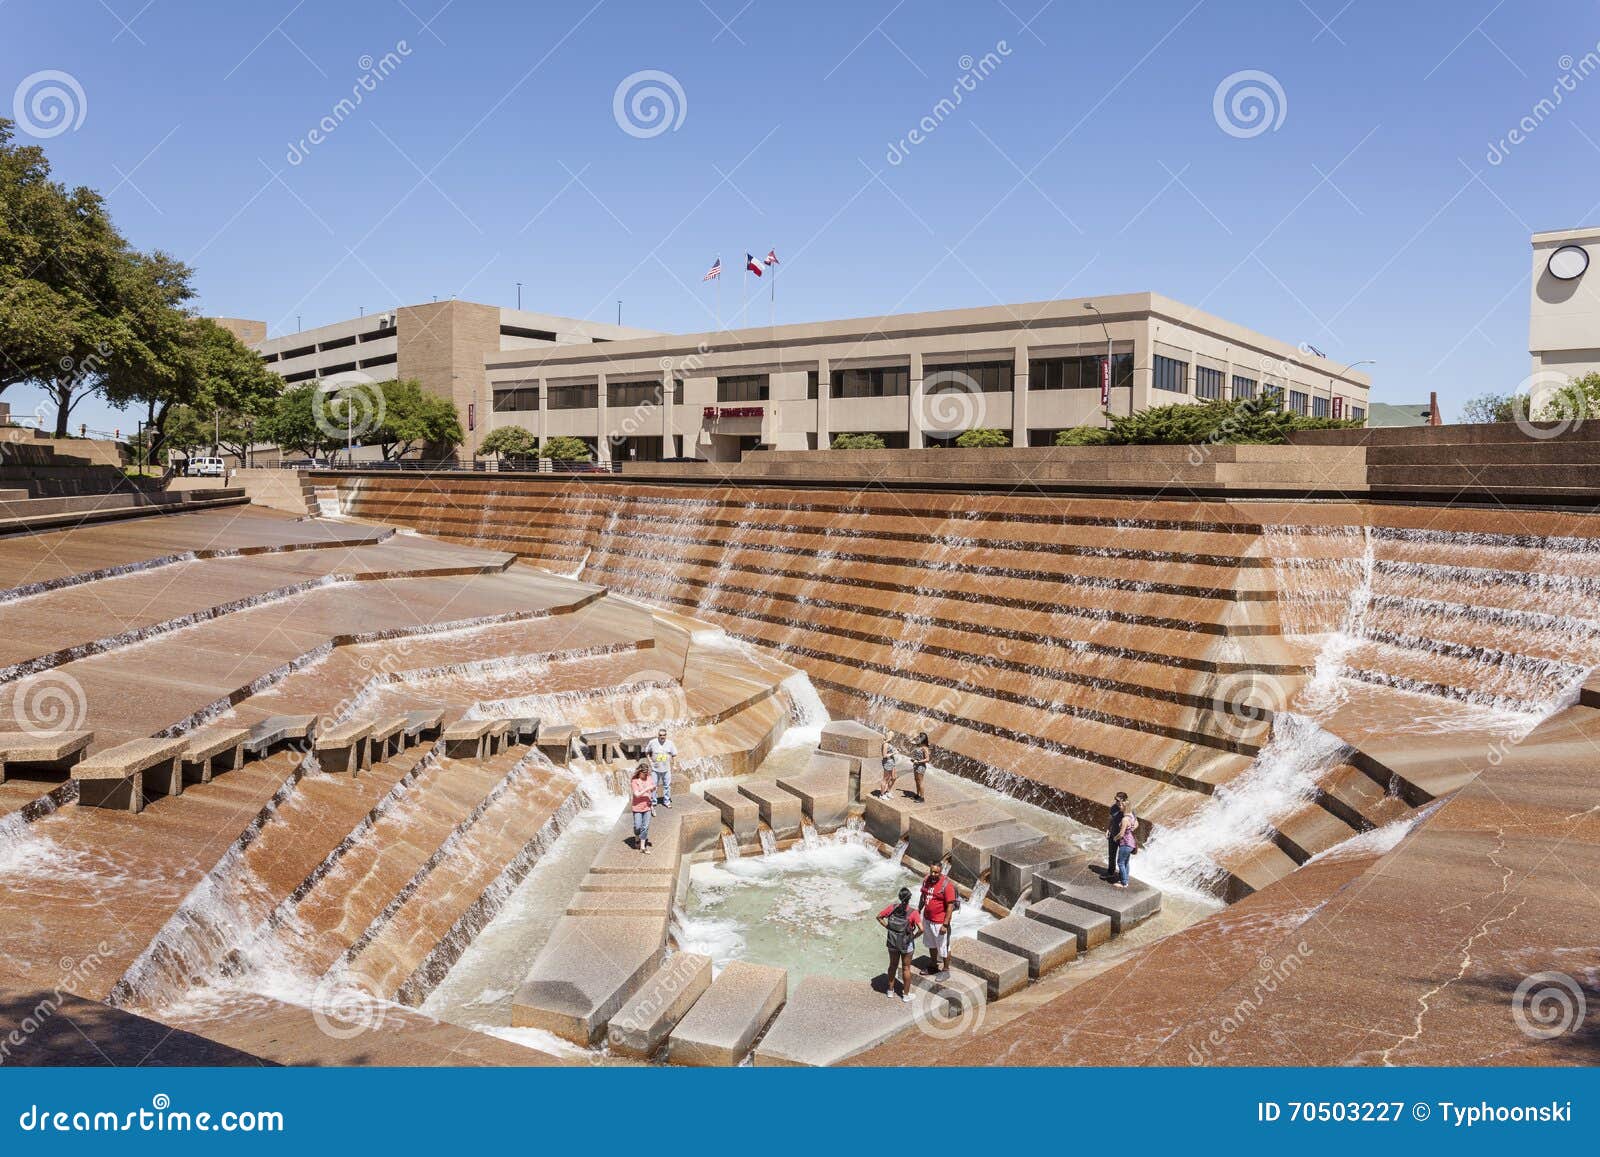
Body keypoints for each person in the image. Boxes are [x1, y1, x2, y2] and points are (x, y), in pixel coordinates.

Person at [877, 886, 922, 1002]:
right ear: (910, 899)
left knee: (893, 965)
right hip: (906, 943)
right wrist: (914, 936)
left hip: (892, 941)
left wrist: (888, 927)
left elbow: (879, 917)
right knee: (906, 968)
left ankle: (890, 991)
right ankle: (906, 995)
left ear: (899, 897)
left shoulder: (892, 908)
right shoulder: (913, 912)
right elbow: (921, 929)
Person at [918, 858, 959, 975]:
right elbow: (923, 897)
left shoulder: (947, 885)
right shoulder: (926, 880)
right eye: (931, 871)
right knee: (931, 944)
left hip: (940, 922)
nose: (933, 874)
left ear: (941, 872)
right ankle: (933, 965)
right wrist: (918, 909)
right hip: (927, 919)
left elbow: (950, 906)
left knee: (944, 947)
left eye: (936, 872)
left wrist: (945, 924)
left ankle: (946, 969)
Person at [645, 728, 677, 809]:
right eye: (660, 735)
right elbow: (647, 752)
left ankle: (666, 801)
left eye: (663, 735)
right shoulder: (652, 742)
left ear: (666, 735)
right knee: (653, 786)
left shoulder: (670, 743)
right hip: (655, 769)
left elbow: (674, 755)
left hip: (666, 769)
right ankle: (653, 801)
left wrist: (674, 764)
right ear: (658, 735)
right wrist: (650, 762)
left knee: (667, 786)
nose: (662, 737)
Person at [629, 762, 657, 854]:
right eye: (644, 773)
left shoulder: (649, 778)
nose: (645, 775)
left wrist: (653, 788)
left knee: (645, 827)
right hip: (637, 807)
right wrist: (647, 788)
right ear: (639, 772)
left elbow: (653, 788)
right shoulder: (634, 780)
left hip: (647, 806)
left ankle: (642, 847)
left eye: (646, 773)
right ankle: (637, 837)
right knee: (638, 826)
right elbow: (636, 794)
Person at [1105, 791, 1129, 881]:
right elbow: (1110, 819)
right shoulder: (1113, 808)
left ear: (1124, 800)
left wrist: (1132, 828)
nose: (1115, 801)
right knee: (1111, 855)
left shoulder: (1129, 810)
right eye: (1115, 799)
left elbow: (1135, 822)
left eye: (1117, 800)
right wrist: (1107, 829)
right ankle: (1110, 872)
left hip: (1123, 838)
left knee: (1123, 859)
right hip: (1113, 835)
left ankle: (1123, 877)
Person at [1113, 806, 1138, 888]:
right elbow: (1136, 823)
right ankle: (1125, 880)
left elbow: (1121, 834)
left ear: (1124, 808)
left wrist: (1115, 838)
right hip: (1131, 843)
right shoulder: (1131, 816)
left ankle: (1123, 883)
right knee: (1126, 862)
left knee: (1120, 863)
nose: (1119, 807)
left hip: (1125, 843)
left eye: (1121, 805)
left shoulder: (1125, 819)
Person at [874, 732, 901, 798]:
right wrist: (894, 753)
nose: (893, 737)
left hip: (892, 762)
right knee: (886, 779)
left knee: (894, 777)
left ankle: (888, 791)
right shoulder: (885, 744)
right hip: (887, 762)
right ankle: (882, 794)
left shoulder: (889, 743)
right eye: (892, 735)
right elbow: (884, 755)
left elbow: (890, 751)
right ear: (889, 736)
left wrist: (896, 750)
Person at [908, 731, 931, 802]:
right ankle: (917, 795)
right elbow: (911, 741)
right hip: (916, 765)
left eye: (920, 737)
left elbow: (927, 759)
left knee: (920, 781)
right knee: (916, 780)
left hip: (921, 766)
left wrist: (918, 761)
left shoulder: (925, 748)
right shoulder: (919, 746)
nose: (918, 738)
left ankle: (922, 797)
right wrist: (914, 760)